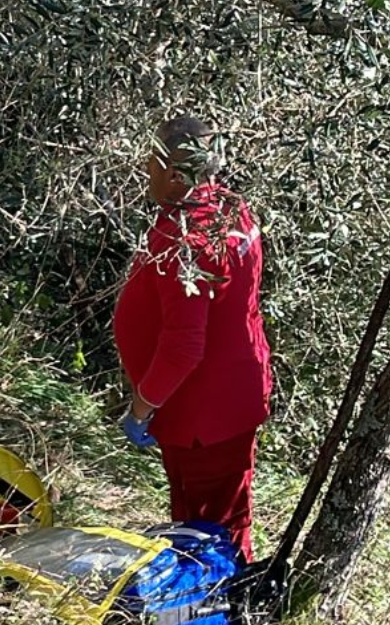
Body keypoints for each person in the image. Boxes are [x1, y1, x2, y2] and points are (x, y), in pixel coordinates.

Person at [112, 115, 272, 562]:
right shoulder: (230, 210)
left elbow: (184, 347)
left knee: (211, 529)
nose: (147, 172)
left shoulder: (187, 239)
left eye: (152, 163)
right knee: (211, 520)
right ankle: (207, 612)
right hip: (229, 401)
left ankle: (223, 618)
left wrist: (141, 408)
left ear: (174, 171)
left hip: (204, 417)